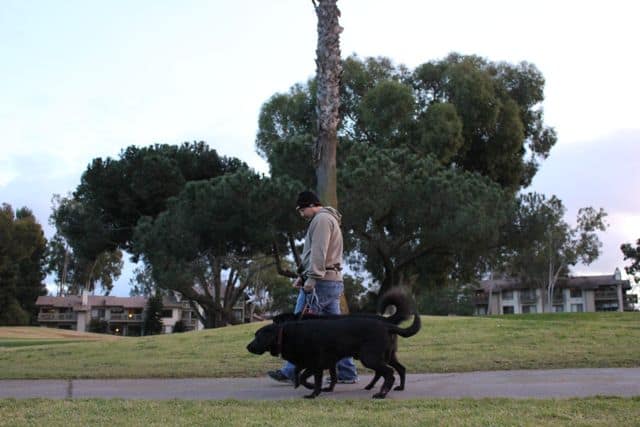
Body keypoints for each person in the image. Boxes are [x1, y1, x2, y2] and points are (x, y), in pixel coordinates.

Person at [267, 190, 358, 384]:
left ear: (309, 205)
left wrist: (312, 278)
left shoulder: (322, 220)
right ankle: (347, 372)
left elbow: (319, 251)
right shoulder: (329, 219)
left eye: (301, 211)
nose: (301, 215)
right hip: (332, 280)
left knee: (298, 325)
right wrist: (303, 276)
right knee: (337, 331)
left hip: (322, 282)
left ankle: (291, 371)